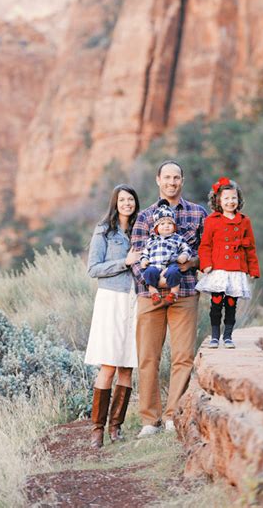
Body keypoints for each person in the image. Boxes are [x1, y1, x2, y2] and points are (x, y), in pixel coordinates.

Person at [131, 160, 207, 436]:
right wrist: (155, 279)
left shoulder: (198, 214)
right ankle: (150, 421)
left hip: (184, 292)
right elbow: (137, 257)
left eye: (176, 177)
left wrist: (187, 265)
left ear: (182, 181)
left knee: (183, 356)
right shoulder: (144, 217)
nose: (171, 182)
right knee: (147, 357)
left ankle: (173, 415)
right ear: (158, 180)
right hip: (149, 295)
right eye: (167, 177)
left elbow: (205, 252)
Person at [85, 184, 141, 448]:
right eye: (122, 199)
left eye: (130, 199)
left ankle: (116, 427)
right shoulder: (104, 231)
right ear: (115, 203)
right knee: (108, 365)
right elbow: (93, 268)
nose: (127, 203)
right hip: (111, 300)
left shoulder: (141, 230)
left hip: (135, 301)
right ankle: (97, 429)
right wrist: (124, 263)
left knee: (127, 366)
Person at [196, 176, 260, 349]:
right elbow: (205, 246)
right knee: (216, 301)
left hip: (236, 269)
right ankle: (215, 335)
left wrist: (253, 270)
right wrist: (206, 264)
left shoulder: (245, 221)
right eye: (226, 198)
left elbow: (250, 248)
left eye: (234, 198)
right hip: (218, 269)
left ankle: (228, 335)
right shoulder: (211, 221)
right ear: (218, 200)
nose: (230, 202)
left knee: (231, 303)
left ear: (238, 199)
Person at [140, 200, 193, 306]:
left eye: (170, 223)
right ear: (156, 228)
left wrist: (184, 256)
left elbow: (186, 248)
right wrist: (144, 260)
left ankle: (174, 293)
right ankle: (153, 292)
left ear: (174, 226)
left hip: (170, 264)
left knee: (174, 272)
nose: (166, 226)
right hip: (154, 265)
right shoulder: (152, 240)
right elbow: (145, 252)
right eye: (162, 223)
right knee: (148, 273)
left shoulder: (177, 238)